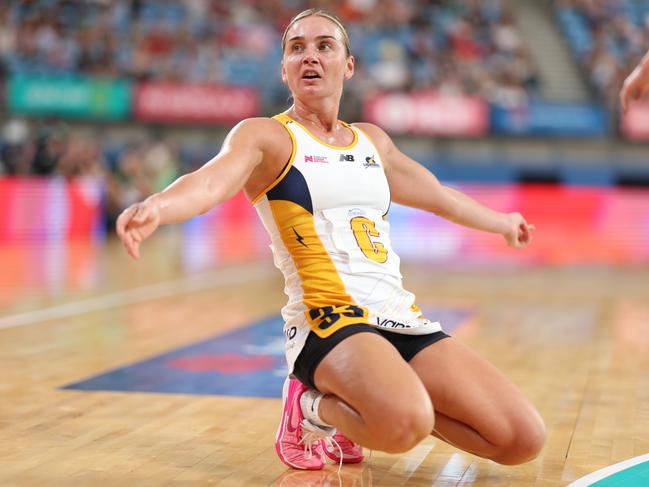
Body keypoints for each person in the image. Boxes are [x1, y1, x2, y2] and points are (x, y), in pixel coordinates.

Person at [117, 8, 546, 473]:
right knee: (407, 424)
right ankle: (309, 408)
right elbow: (206, 184)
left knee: (521, 438)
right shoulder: (267, 137)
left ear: (349, 64)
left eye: (325, 46)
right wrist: (156, 206)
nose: (310, 57)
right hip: (329, 321)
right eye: (296, 48)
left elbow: (439, 196)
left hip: (401, 318)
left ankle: (361, 409)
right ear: (284, 69)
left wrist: (502, 222)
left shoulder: (372, 143)